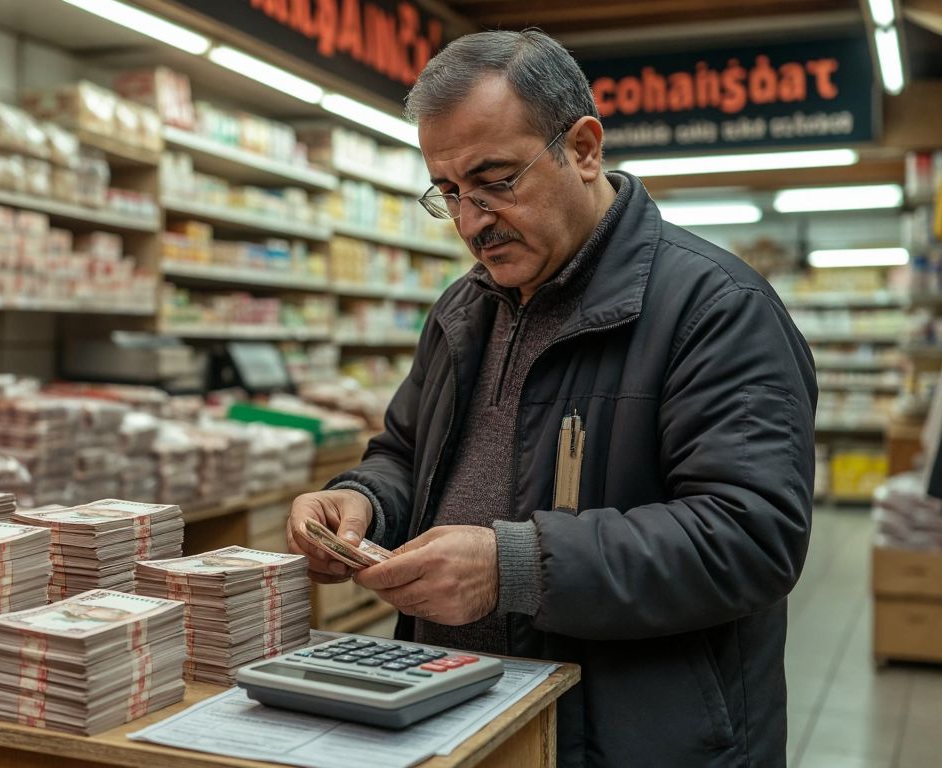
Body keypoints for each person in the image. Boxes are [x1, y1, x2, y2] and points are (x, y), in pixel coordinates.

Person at [287, 29, 815, 768]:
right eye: (449, 193)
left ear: (585, 148)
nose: (472, 223)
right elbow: (407, 453)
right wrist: (363, 502)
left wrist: (514, 567)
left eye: (497, 181)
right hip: (461, 721)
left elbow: (750, 537)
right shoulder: (463, 311)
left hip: (635, 742)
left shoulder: (715, 309)